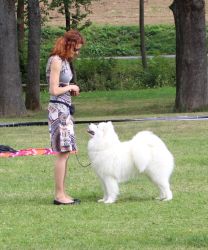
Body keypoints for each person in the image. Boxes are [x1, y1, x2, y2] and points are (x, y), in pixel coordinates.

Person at [46, 30, 84, 205]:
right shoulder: (56, 61)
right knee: (62, 152)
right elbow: (53, 90)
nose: (76, 53)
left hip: (65, 109)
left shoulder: (65, 61)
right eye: (75, 49)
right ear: (68, 45)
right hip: (58, 111)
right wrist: (70, 87)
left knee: (66, 151)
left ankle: (62, 193)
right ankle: (59, 195)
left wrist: (70, 89)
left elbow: (62, 86)